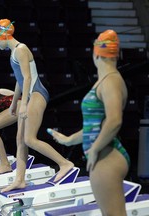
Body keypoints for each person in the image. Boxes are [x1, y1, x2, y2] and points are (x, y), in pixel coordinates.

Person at [49, 30, 130, 216]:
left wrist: (94, 150)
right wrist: (69, 140)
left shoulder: (111, 81)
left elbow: (115, 120)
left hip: (106, 155)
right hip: (105, 153)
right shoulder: (106, 80)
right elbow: (95, 126)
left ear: (96, 54)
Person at [0, 19, 74, 192]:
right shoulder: (14, 52)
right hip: (28, 95)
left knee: (29, 139)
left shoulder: (21, 49)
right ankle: (19, 180)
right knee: (20, 139)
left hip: (36, 94)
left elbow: (27, 78)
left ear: (2, 36)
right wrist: (14, 103)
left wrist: (24, 104)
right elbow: (20, 81)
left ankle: (65, 164)